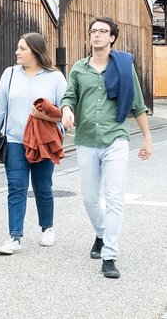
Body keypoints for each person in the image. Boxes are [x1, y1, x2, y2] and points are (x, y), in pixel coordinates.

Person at [61, 16, 152, 279]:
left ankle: (109, 255)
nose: (97, 35)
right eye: (93, 31)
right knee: (90, 198)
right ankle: (100, 235)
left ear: (112, 37)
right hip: (87, 139)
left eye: (102, 31)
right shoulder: (79, 68)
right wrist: (67, 111)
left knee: (114, 198)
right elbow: (69, 97)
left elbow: (137, 104)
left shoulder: (124, 67)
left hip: (116, 138)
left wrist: (146, 138)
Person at [0, 33, 67, 255]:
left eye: (22, 48)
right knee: (16, 188)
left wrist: (48, 118)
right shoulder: (9, 74)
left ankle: (47, 227)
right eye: (18, 48)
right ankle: (14, 236)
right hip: (15, 141)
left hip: (43, 141)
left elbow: (65, 111)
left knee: (42, 186)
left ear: (36, 51)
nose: (17, 52)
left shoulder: (55, 77)